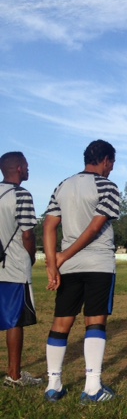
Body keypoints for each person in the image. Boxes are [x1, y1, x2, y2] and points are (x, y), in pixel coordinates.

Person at [43, 139, 120, 404]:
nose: (111, 169)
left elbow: (49, 226)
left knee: (61, 322)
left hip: (69, 267)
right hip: (98, 263)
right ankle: (92, 388)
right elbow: (95, 228)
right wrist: (62, 256)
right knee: (95, 321)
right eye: (112, 164)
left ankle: (53, 386)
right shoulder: (107, 186)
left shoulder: (63, 185)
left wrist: (54, 263)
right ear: (106, 160)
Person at [0, 152, 42, 387]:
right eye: (26, 165)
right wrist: (31, 256)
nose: (28, 169)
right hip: (13, 267)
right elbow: (27, 234)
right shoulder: (21, 195)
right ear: (17, 168)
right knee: (14, 319)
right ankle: (14, 375)